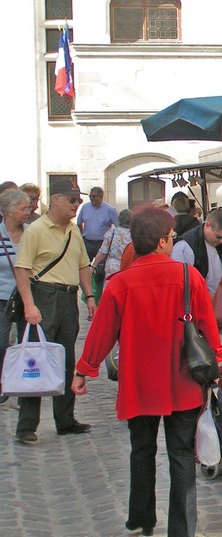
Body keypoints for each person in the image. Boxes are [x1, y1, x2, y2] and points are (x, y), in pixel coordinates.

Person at [72, 206, 222, 537]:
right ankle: (181, 529)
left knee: (141, 450)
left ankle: (141, 518)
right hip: (183, 380)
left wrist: (84, 369)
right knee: (182, 456)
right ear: (161, 241)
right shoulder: (189, 277)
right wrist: (217, 358)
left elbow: (102, 332)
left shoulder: (120, 283)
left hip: (139, 382)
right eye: (170, 237)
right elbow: (207, 328)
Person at [13, 179, 97, 443]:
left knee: (65, 359)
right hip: (44, 296)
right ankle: (26, 425)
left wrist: (90, 295)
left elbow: (84, 265)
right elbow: (22, 268)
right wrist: (29, 304)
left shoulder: (73, 231)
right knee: (35, 361)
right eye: (73, 200)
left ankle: (65, 419)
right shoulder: (36, 230)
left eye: (78, 200)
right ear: (57, 199)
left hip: (68, 297)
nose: (77, 205)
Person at [0, 189, 30, 403]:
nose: (27, 212)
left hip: (26, 298)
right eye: (23, 208)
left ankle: (23, 386)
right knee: (2, 343)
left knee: (25, 344)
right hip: (2, 298)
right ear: (9, 212)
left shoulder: (31, 233)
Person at [170, 207, 222, 296]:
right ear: (207, 225)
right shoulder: (184, 247)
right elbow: (181, 285)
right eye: (218, 237)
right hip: (201, 302)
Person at [90, 208, 133, 299]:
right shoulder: (134, 234)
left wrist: (93, 266)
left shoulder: (112, 232)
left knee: (109, 291)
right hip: (128, 266)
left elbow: (103, 251)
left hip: (112, 266)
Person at [76, 186, 118, 261]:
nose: (92, 198)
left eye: (94, 196)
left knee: (101, 268)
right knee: (85, 266)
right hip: (87, 243)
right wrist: (81, 237)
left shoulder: (110, 210)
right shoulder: (85, 207)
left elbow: (119, 227)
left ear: (101, 196)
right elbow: (79, 223)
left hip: (102, 243)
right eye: (90, 196)